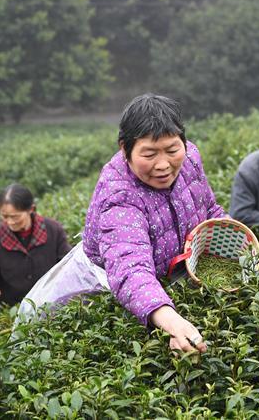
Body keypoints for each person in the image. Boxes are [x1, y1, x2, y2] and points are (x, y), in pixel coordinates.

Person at [79, 94, 224, 354]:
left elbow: (208, 209)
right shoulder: (119, 196)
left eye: (172, 150)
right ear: (125, 149)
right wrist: (171, 321)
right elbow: (129, 269)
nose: (163, 165)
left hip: (171, 271)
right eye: (149, 153)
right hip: (111, 285)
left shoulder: (190, 157)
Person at [0, 184, 71, 307]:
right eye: (5, 216)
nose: (10, 222)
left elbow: (68, 267)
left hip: (51, 307)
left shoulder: (53, 230)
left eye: (15, 216)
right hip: (10, 312)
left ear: (31, 209)